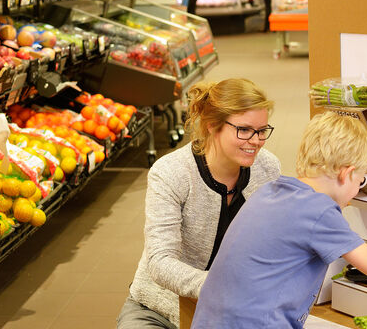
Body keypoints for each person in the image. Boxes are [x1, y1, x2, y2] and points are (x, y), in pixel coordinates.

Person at [191, 112, 367, 328]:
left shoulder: (271, 190)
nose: (356, 194)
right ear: (347, 173)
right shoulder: (319, 210)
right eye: (359, 182)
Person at [117, 79, 281, 329]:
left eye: (262, 131)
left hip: (233, 309)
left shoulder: (267, 168)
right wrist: (223, 288)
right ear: (212, 125)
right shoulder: (172, 173)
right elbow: (160, 261)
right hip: (159, 308)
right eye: (244, 130)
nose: (256, 141)